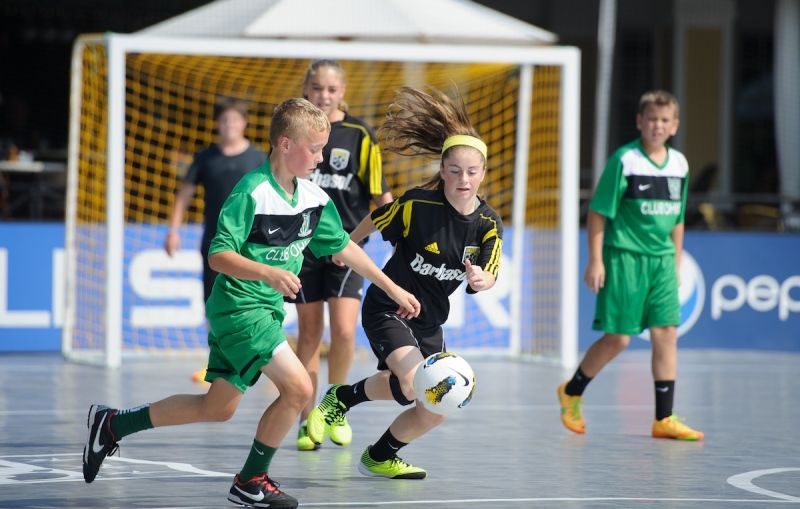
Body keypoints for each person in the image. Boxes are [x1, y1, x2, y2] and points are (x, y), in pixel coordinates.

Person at [82, 98, 421, 508]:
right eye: (314, 149)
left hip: (264, 312)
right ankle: (250, 480)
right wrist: (268, 273)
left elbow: (345, 248)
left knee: (217, 407)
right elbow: (218, 254)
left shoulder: (313, 199)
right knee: (298, 389)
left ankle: (114, 424)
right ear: (284, 144)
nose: (321, 158)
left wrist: (390, 287)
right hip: (238, 309)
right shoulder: (251, 192)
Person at [306, 86, 504, 479]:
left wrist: (482, 279)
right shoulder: (417, 205)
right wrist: (348, 243)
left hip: (430, 321)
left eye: (472, 171)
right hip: (388, 306)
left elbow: (491, 270)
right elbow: (376, 216)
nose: (463, 179)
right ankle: (341, 400)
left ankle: (377, 451)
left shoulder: (488, 223)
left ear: (483, 173)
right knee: (414, 383)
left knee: (435, 405)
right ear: (442, 171)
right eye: (454, 171)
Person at [557, 90, 704, 441]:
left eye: (664, 120)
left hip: (662, 262)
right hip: (623, 259)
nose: (658, 125)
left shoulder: (680, 164)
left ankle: (663, 418)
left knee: (666, 333)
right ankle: (572, 391)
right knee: (618, 339)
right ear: (640, 122)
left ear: (674, 126)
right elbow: (597, 212)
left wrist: (676, 257)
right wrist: (595, 260)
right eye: (652, 119)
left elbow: (679, 217)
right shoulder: (625, 160)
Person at [289, 60, 393, 452]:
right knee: (310, 334)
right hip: (300, 248)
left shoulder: (360, 135)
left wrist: (360, 238)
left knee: (346, 332)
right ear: (306, 88)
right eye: (317, 88)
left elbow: (381, 197)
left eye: (331, 90)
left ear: (343, 91)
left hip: (346, 245)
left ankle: (335, 409)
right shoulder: (295, 131)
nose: (324, 96)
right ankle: (305, 418)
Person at [165, 97, 266, 313]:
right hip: (215, 239)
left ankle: (243, 346)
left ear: (244, 122)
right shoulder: (205, 157)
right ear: (217, 123)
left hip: (250, 240)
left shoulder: (258, 159)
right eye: (224, 120)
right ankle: (216, 346)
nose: (230, 125)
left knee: (248, 301)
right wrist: (173, 230)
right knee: (213, 302)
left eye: (235, 120)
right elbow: (184, 196)